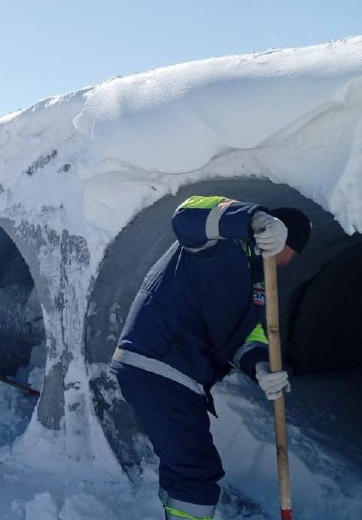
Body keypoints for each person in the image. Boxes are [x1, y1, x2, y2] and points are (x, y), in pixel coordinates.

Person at [110, 196, 311, 520]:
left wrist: (260, 367)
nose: (288, 262)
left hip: (181, 376)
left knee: (184, 466)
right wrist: (254, 218)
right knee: (196, 472)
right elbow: (187, 215)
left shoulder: (259, 281)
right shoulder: (221, 242)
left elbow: (250, 337)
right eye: (291, 252)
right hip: (159, 362)